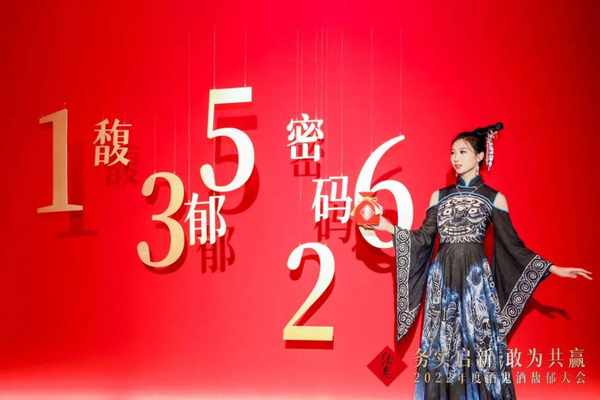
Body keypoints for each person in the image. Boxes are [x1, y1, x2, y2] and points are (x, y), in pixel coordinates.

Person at [359, 128, 592, 399]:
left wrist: (552, 268)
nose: (455, 158)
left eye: (463, 152)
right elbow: (423, 238)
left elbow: (513, 245)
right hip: (442, 279)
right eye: (452, 153)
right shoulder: (439, 197)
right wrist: (389, 227)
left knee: (481, 344)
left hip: (475, 280)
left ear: (480, 156)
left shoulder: (494, 198)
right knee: (441, 344)